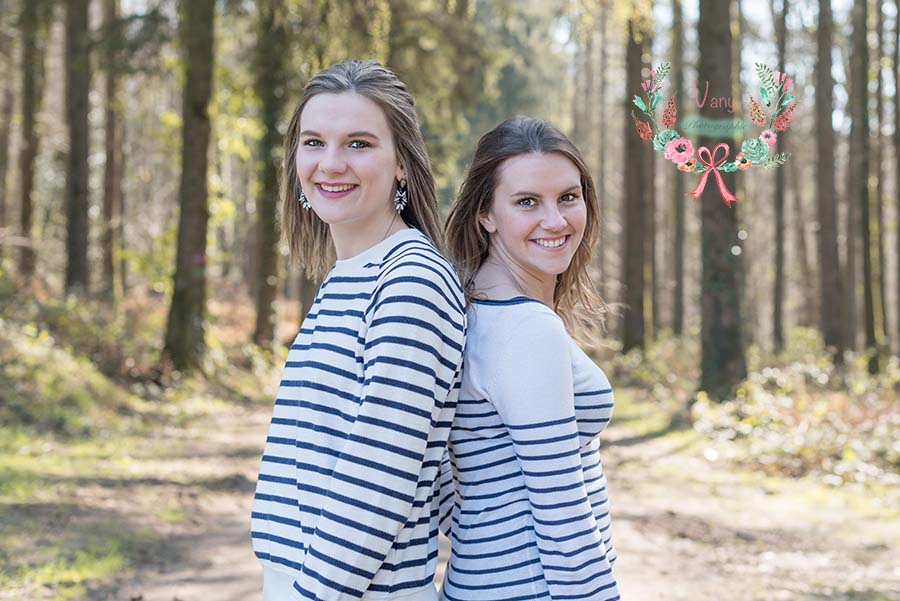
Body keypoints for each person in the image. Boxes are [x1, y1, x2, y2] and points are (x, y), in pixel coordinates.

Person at [251, 60, 466, 601]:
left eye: (359, 144)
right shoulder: (347, 277)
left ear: (401, 165)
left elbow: (379, 478)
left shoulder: (411, 278)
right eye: (314, 142)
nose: (330, 163)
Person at [439, 116, 619, 600]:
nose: (556, 220)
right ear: (486, 213)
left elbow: (439, 481)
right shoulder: (526, 329)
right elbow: (563, 515)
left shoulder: (466, 311)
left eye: (568, 197)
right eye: (526, 202)